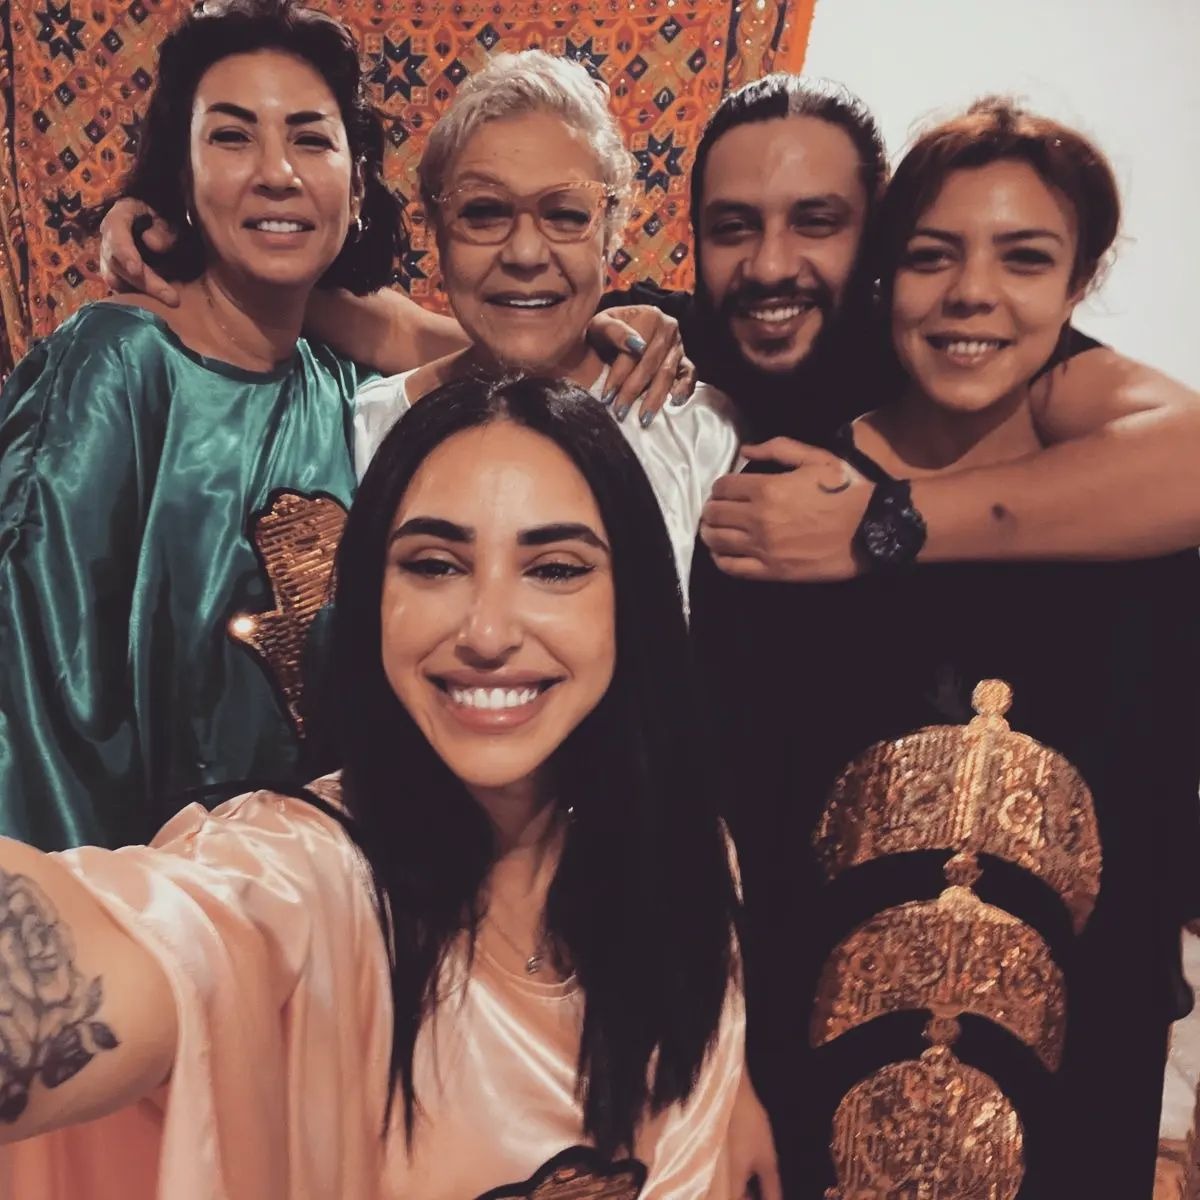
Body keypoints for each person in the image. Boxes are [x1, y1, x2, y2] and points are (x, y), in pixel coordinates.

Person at [0, 374, 746, 1199]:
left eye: (555, 568)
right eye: (434, 565)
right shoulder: (301, 874)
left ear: (631, 603)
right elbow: (149, 945)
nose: (487, 632)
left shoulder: (682, 857)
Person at [0, 1, 679, 853]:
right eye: (232, 137)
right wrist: (72, 919)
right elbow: (33, 699)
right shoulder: (116, 367)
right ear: (182, 172)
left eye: (310, 138)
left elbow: (489, 345)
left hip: (333, 887)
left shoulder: (356, 395)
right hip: (138, 899)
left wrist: (611, 330)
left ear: (356, 186)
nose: (276, 173)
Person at [698, 98, 1200, 1198]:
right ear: (888, 273)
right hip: (807, 1098)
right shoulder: (778, 503)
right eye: (934, 255)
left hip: (1077, 1105)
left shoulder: (1148, 541)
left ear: (1078, 283)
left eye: (1026, 258)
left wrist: (885, 527)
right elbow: (727, 843)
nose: (974, 291)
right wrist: (726, 1083)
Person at [349, 49, 740, 592]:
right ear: (436, 227)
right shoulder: (365, 428)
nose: (526, 253)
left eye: (565, 215)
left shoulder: (702, 435)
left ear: (610, 231)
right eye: (484, 212)